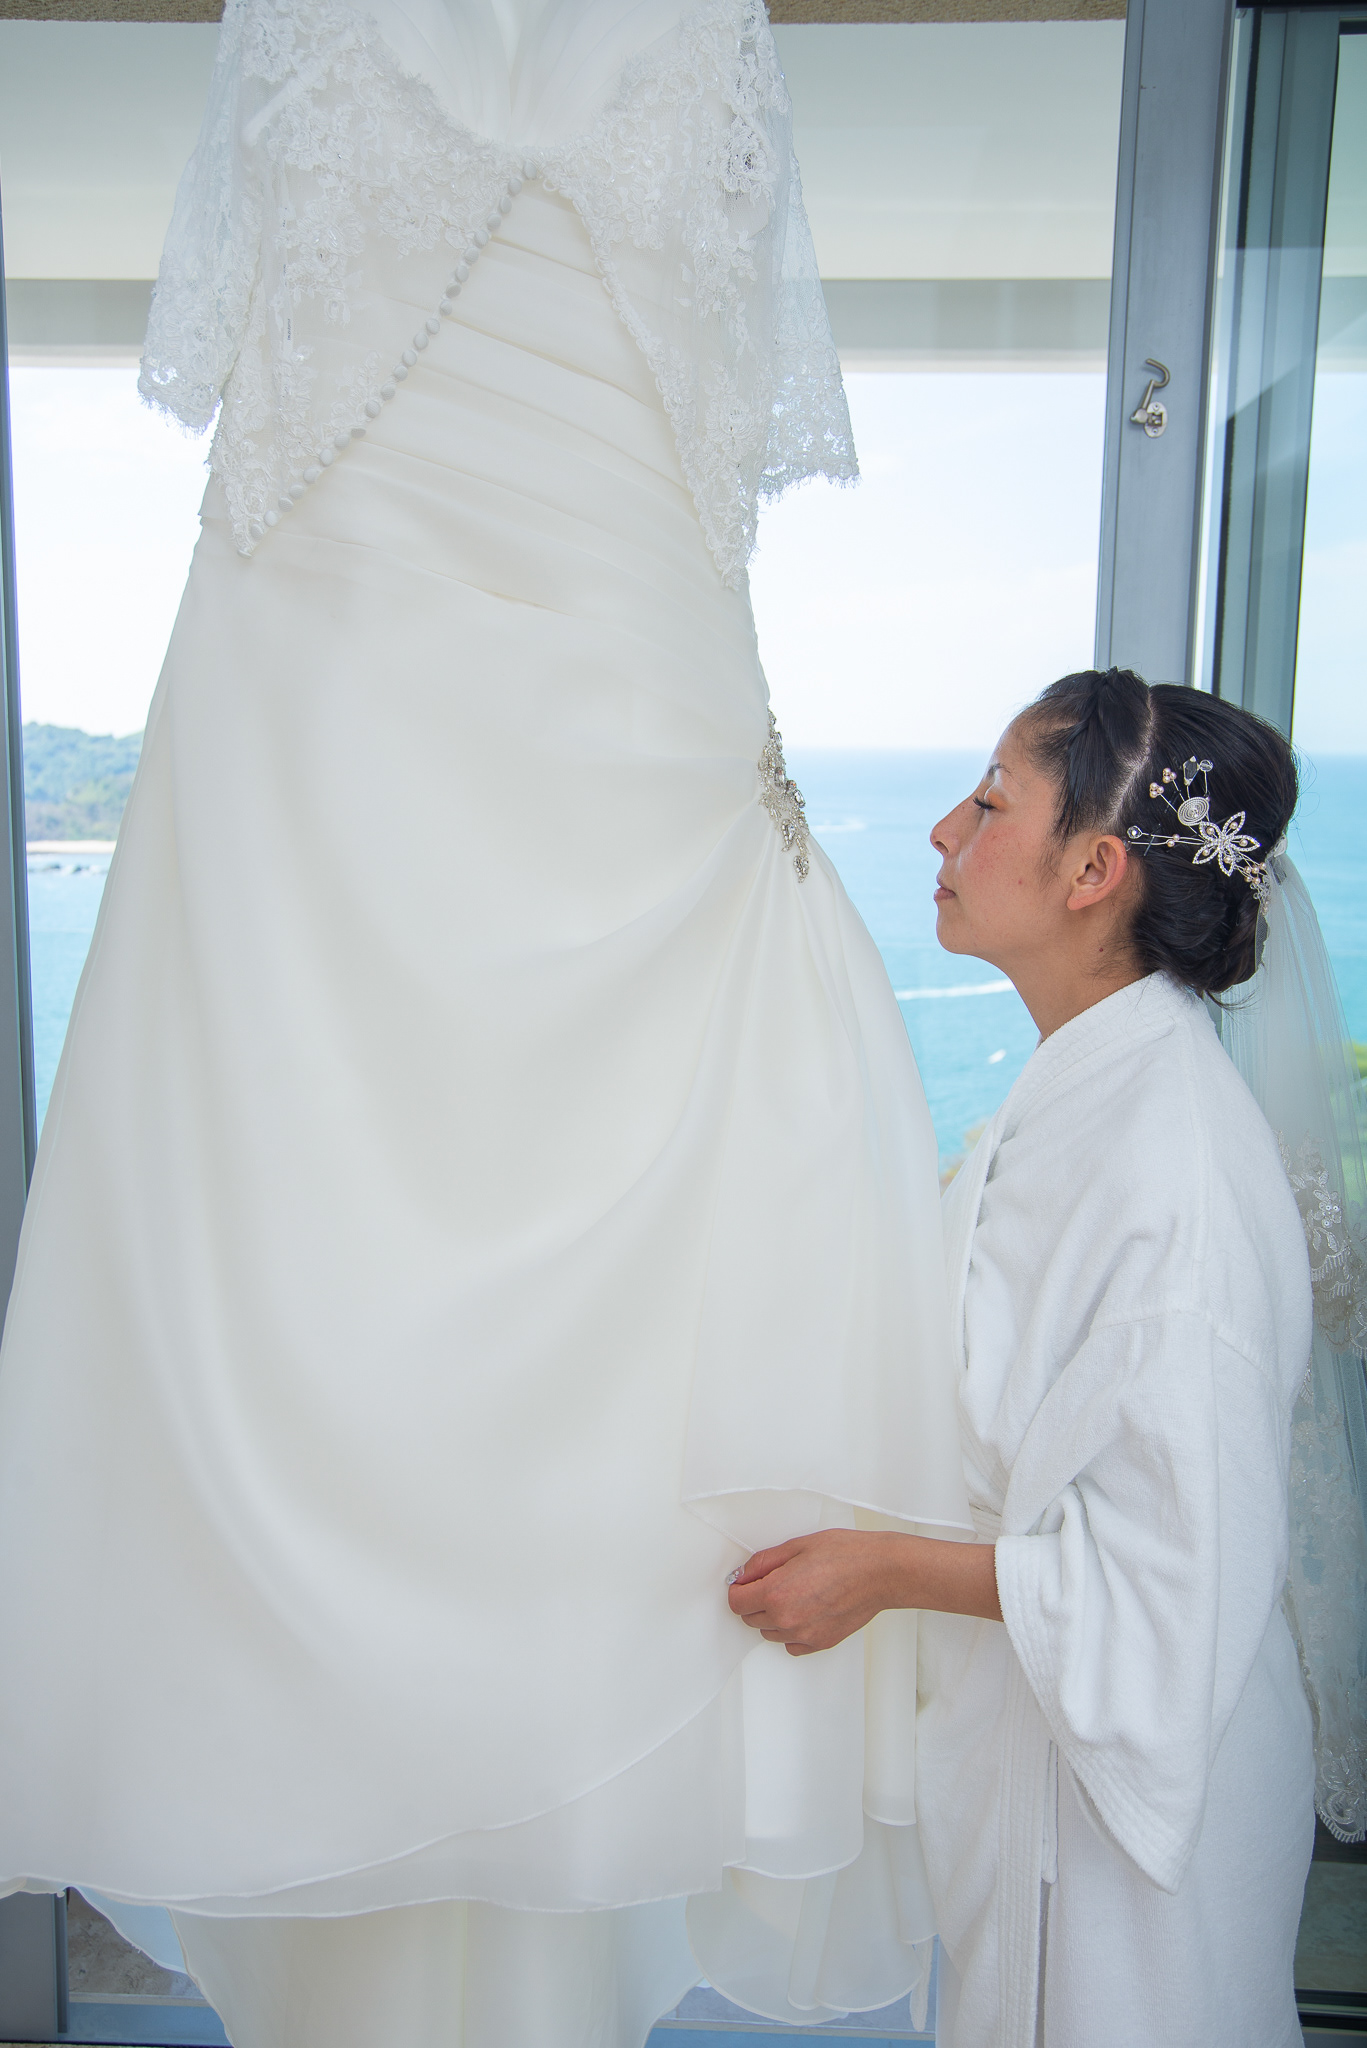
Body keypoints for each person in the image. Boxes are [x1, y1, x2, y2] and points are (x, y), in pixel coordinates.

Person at [0, 2, 972, 2043]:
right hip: (350, 715)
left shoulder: (685, 32)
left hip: (561, 703)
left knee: (505, 1348)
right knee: (315, 1230)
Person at [729, 669, 1328, 2048]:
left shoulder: (1175, 1180)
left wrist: (882, 1570)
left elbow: (1171, 1596)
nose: (946, 829)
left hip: (1128, 1827)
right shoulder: (1085, 1091)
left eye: (992, 801)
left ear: (1095, 871)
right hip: (1031, 1752)